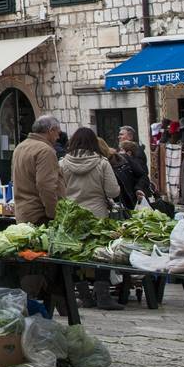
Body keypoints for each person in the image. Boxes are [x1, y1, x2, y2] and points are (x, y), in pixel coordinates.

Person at [59, 126, 124, 311]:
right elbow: (113, 191)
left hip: (71, 216)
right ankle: (103, 295)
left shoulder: (62, 164)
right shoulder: (102, 163)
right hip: (97, 215)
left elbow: (58, 189)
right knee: (101, 255)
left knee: (75, 254)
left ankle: (84, 295)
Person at [13, 115, 64, 225]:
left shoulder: (20, 147)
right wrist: (54, 214)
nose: (58, 137)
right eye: (58, 133)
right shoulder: (45, 150)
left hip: (23, 212)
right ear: (51, 131)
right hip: (40, 215)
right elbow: (46, 185)